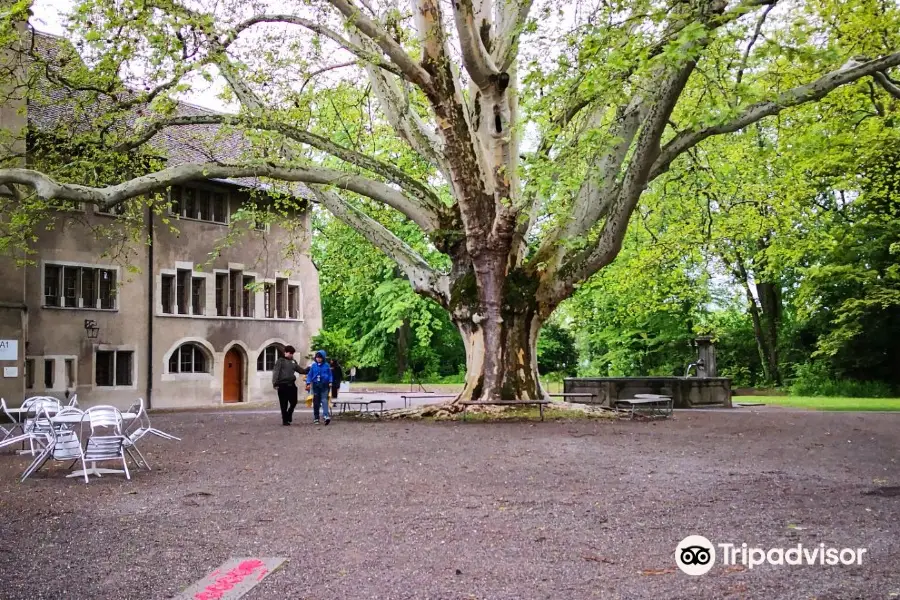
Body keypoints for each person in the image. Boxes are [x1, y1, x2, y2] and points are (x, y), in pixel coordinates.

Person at [272, 345, 307, 426]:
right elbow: (276, 372)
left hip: (291, 384)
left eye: (292, 353)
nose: (291, 355)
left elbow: (301, 370)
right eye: (290, 353)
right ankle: (285, 420)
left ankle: (289, 413)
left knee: (294, 402)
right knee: (283, 404)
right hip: (282, 385)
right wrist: (275, 383)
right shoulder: (280, 361)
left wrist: (309, 369)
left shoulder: (293, 362)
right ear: (286, 352)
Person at [306, 349, 333, 425]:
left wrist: (330, 381)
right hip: (315, 385)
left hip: (324, 385)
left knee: (324, 400)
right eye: (317, 357)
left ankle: (326, 416)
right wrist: (308, 383)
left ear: (323, 358)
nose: (318, 359)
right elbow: (310, 375)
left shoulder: (327, 365)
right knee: (316, 402)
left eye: (320, 357)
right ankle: (316, 417)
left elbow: (330, 374)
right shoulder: (313, 366)